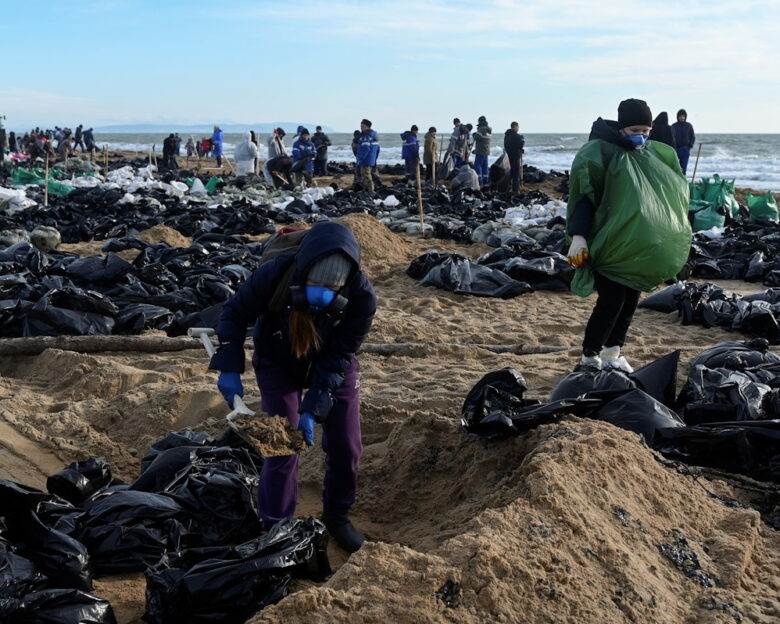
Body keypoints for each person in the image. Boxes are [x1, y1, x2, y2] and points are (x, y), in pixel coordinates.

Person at [209, 221, 377, 552]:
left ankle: (338, 517)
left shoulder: (362, 297)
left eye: (331, 290)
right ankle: (275, 526)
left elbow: (340, 354)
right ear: (304, 272)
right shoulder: (277, 273)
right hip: (277, 357)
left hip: (329, 362)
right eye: (315, 285)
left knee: (347, 446)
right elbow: (234, 314)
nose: (321, 294)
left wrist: (314, 406)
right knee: (283, 445)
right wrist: (229, 366)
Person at [566, 98, 691, 372]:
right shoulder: (603, 154)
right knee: (611, 302)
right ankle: (589, 357)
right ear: (622, 128)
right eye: (636, 130)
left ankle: (612, 353)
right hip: (609, 245)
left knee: (630, 302)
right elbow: (585, 197)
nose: (642, 136)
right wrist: (578, 235)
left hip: (637, 249)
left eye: (646, 131)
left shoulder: (649, 156)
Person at [355, 119, 380, 192]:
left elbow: (365, 149)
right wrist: (375, 159)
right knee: (369, 175)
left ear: (367, 126)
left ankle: (370, 192)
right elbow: (378, 149)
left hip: (366, 160)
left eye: (362, 126)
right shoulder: (374, 136)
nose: (361, 128)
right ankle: (367, 190)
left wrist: (360, 158)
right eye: (361, 126)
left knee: (366, 176)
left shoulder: (366, 136)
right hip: (371, 159)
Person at [671, 109, 696, 174]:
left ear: (685, 117)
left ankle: (683, 182)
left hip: (685, 150)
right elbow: (670, 137)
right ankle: (675, 182)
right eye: (680, 116)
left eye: (683, 116)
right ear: (678, 117)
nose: (682, 117)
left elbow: (692, 136)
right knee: (675, 168)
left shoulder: (689, 125)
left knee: (683, 169)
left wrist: (690, 145)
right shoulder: (674, 126)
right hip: (675, 150)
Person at [504, 121, 525, 196]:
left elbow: (507, 145)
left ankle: (508, 188)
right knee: (516, 174)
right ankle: (516, 190)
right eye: (518, 127)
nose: (518, 128)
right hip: (515, 156)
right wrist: (522, 141)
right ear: (515, 127)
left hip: (508, 156)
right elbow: (520, 145)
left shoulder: (507, 135)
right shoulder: (516, 136)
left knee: (510, 173)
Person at [473, 117, 491, 185]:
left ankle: (479, 182)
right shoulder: (488, 130)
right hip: (486, 151)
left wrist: (475, 134)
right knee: (485, 167)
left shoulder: (481, 129)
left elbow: (477, 137)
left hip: (480, 151)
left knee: (477, 166)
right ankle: (485, 181)